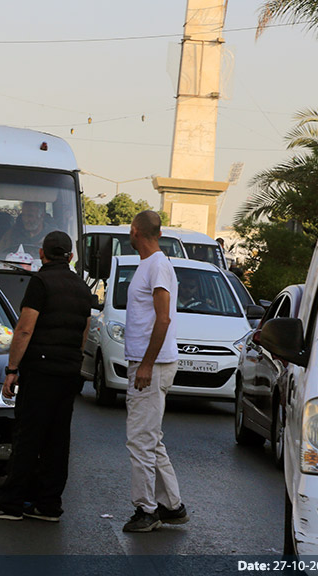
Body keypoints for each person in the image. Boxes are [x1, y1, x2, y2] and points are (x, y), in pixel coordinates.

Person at [0, 231, 93, 521]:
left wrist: (12, 369)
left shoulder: (40, 282)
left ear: (42, 254)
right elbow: (84, 331)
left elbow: (25, 328)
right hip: (68, 372)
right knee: (58, 440)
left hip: (40, 371)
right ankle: (48, 505)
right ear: (70, 257)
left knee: (28, 437)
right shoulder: (82, 287)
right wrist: (73, 358)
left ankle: (11, 504)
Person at [121, 210, 188, 532]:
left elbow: (163, 318)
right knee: (151, 438)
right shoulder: (150, 265)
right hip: (148, 362)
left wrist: (146, 364)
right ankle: (171, 505)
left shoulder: (158, 265)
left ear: (136, 231)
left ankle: (147, 510)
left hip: (153, 364)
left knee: (140, 440)